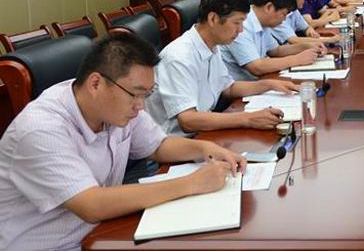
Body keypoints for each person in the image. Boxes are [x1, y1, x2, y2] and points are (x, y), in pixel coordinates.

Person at [0, 33, 244, 251]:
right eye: (135, 94)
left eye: (146, 94)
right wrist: (192, 183)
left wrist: (205, 148)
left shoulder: (114, 107)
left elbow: (158, 146)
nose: (140, 106)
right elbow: (92, 204)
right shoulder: (41, 129)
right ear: (95, 83)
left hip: (100, 233)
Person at [147, 0, 301, 136]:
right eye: (237, 23)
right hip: (176, 142)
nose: (241, 30)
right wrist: (247, 119)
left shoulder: (212, 46)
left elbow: (228, 88)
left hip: (203, 132)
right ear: (213, 18)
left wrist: (269, 85)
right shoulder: (179, 57)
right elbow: (188, 120)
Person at [222, 0, 325, 81]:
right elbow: (256, 67)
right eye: (283, 14)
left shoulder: (263, 22)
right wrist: (297, 59)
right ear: (269, 7)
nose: (284, 19)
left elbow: (276, 50)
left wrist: (307, 46)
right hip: (242, 87)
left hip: (260, 81)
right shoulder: (241, 25)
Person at [271, 0, 339, 46]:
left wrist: (310, 32)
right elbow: (294, 40)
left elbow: (306, 27)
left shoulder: (294, 11)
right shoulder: (277, 16)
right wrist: (330, 40)